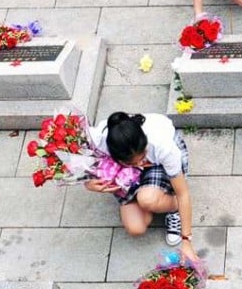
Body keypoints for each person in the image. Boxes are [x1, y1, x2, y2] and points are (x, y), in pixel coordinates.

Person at [85, 112, 199, 263]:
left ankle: (173, 207)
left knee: (147, 200)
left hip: (158, 163)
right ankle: (152, 195)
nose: (141, 164)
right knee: (136, 228)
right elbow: (74, 161)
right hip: (126, 172)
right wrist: (89, 183)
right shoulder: (96, 139)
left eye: (143, 156)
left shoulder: (162, 146)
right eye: (134, 162)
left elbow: (183, 193)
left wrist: (186, 241)